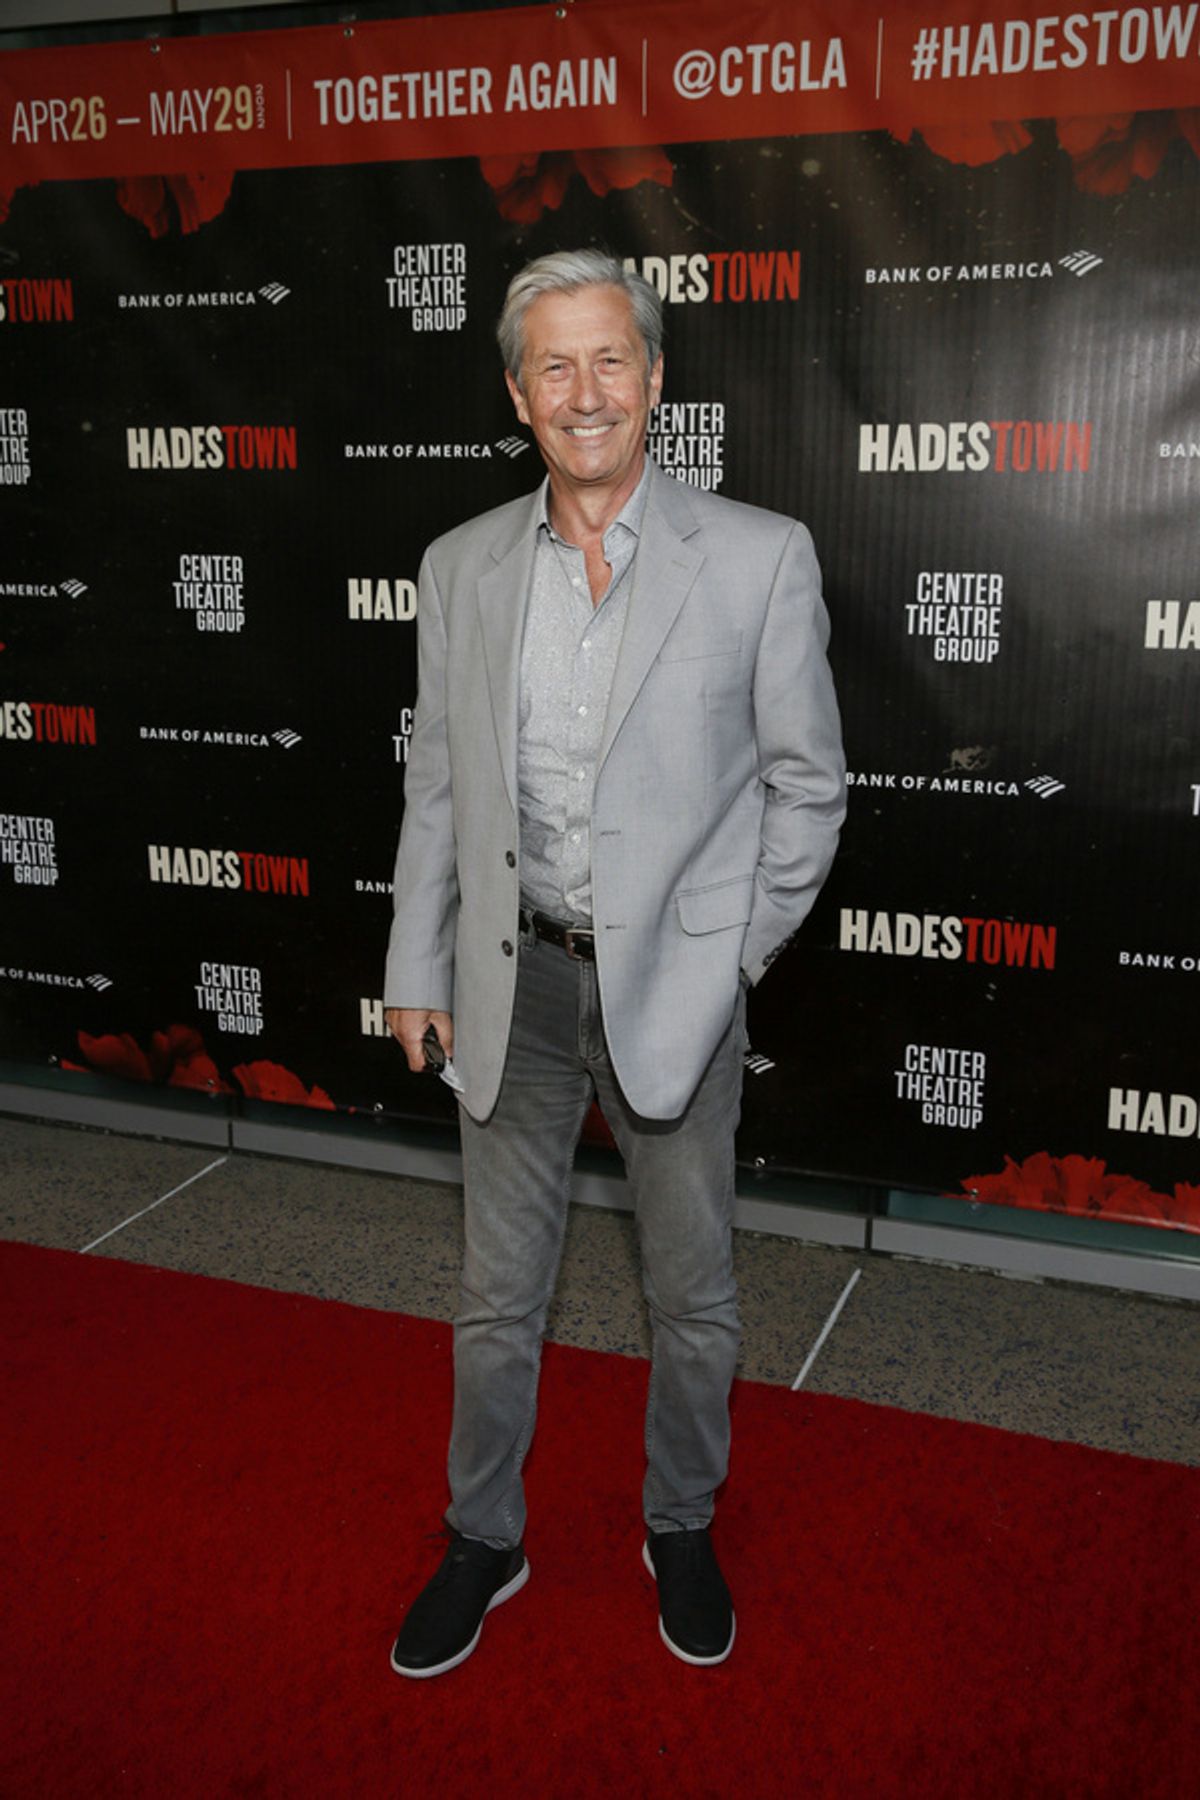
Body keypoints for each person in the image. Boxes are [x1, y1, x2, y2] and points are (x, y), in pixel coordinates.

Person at [383, 248, 845, 1678]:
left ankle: (682, 1521)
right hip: (510, 988)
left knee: (693, 1293)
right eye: (554, 367)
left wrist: (729, 959)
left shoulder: (760, 556)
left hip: (677, 1000)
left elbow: (807, 787)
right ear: (516, 392)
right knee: (494, 1294)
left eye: (612, 360)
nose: (586, 393)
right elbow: (441, 788)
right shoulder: (458, 566)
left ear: (654, 379)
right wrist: (416, 962)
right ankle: (484, 1537)